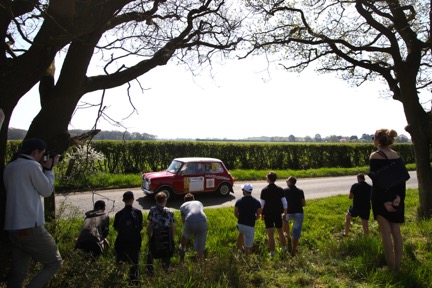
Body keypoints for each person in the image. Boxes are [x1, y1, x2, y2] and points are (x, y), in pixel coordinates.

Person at [3, 138, 62, 287]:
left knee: (19, 272)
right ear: (35, 152)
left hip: (13, 227)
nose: (44, 157)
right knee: (54, 262)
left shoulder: (10, 167)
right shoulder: (32, 166)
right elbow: (47, 191)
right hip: (30, 226)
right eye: (42, 154)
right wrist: (49, 169)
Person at [369, 128, 406, 271]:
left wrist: (385, 201)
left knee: (385, 232)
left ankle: (390, 267)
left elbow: (377, 181)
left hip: (381, 198)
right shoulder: (396, 155)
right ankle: (398, 266)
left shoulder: (375, 156)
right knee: (397, 232)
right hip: (397, 198)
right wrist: (398, 198)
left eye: (373, 138)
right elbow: (401, 180)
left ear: (378, 140)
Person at [114, 191, 143, 284]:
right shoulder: (138, 213)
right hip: (134, 242)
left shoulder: (118, 214)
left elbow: (116, 228)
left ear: (123, 200)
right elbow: (140, 227)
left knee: (120, 263)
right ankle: (133, 282)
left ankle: (119, 282)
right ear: (133, 199)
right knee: (134, 265)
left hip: (121, 242)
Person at [146, 191, 175, 275]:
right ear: (165, 201)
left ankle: (150, 271)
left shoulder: (152, 210)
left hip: (156, 234)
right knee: (166, 255)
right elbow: (173, 227)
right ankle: (165, 271)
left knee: (151, 252)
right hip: (166, 235)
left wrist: (149, 236)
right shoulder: (170, 212)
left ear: (156, 201)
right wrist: (172, 239)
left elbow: (150, 225)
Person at [260, 171, 287, 257]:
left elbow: (262, 205)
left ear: (268, 179)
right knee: (280, 232)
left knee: (270, 234)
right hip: (278, 213)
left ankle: (272, 253)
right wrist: (285, 213)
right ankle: (284, 248)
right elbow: (285, 203)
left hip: (268, 214)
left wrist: (261, 214)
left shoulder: (264, 190)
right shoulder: (280, 189)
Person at [179, 193, 208, 261]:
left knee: (185, 235)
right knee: (201, 240)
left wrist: (188, 230)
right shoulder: (199, 203)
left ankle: (183, 248)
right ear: (193, 199)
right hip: (203, 219)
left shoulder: (182, 206)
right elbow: (198, 214)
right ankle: (200, 260)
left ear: (185, 201)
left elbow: (183, 221)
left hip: (189, 219)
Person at [234, 183, 262, 254]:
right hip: (250, 225)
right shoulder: (256, 202)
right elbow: (259, 215)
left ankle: (240, 250)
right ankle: (247, 256)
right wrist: (253, 218)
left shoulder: (239, 201)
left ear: (244, 191)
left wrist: (240, 218)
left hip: (240, 224)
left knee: (241, 234)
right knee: (248, 245)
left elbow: (235, 213)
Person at [283, 176, 306, 256]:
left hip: (288, 212)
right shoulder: (300, 191)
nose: (286, 182)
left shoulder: (284, 191)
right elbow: (303, 203)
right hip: (298, 213)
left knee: (285, 220)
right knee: (296, 232)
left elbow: (282, 202)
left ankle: (288, 234)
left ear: (289, 182)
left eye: (287, 180)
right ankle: (293, 250)